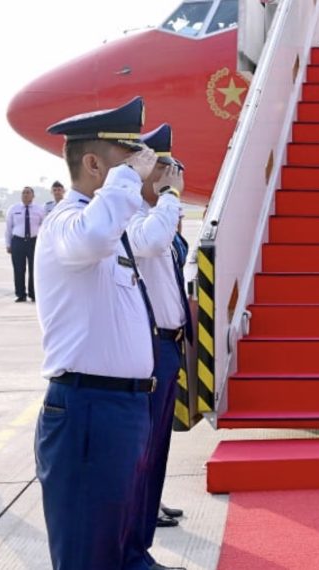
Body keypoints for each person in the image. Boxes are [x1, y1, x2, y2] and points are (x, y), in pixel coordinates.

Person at [33, 96, 176, 570]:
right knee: (87, 554)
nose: (142, 171)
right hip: (88, 410)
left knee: (114, 545)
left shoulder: (108, 224)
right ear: (94, 164)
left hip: (123, 407)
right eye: (130, 161)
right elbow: (93, 237)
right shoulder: (65, 223)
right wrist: (127, 182)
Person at [121, 123, 190, 570]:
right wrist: (169, 197)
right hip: (148, 349)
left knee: (157, 452)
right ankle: (131, 553)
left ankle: (140, 546)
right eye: (161, 166)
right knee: (141, 457)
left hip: (169, 346)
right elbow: (150, 243)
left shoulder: (157, 212)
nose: (171, 174)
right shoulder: (132, 215)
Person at [5, 186, 45, 302]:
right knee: (18, 269)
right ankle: (20, 294)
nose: (25, 195)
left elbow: (44, 226)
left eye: (28, 193)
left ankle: (33, 294)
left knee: (34, 269)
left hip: (34, 242)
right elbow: (8, 227)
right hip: (18, 241)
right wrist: (8, 244)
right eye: (23, 193)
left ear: (33, 196)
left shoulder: (39, 209)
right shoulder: (13, 209)